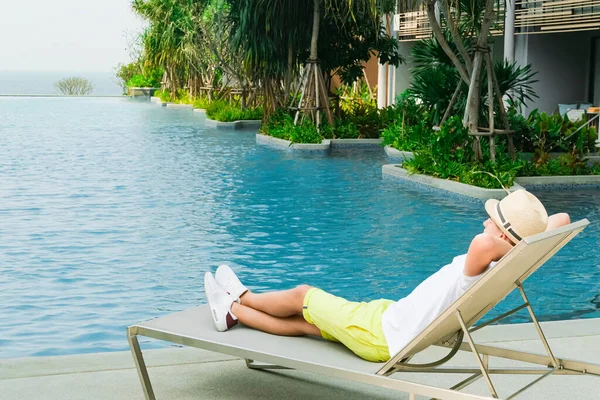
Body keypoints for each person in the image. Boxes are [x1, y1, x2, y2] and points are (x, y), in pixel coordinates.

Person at [204, 190, 571, 362]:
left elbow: (484, 241)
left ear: (503, 237)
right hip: (388, 321)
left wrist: (511, 236)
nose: (484, 221)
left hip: (382, 334)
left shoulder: (482, 255)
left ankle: (244, 297)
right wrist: (523, 238)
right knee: (306, 325)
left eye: (492, 219)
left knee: (303, 296)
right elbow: (561, 222)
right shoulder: (499, 263)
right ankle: (233, 313)